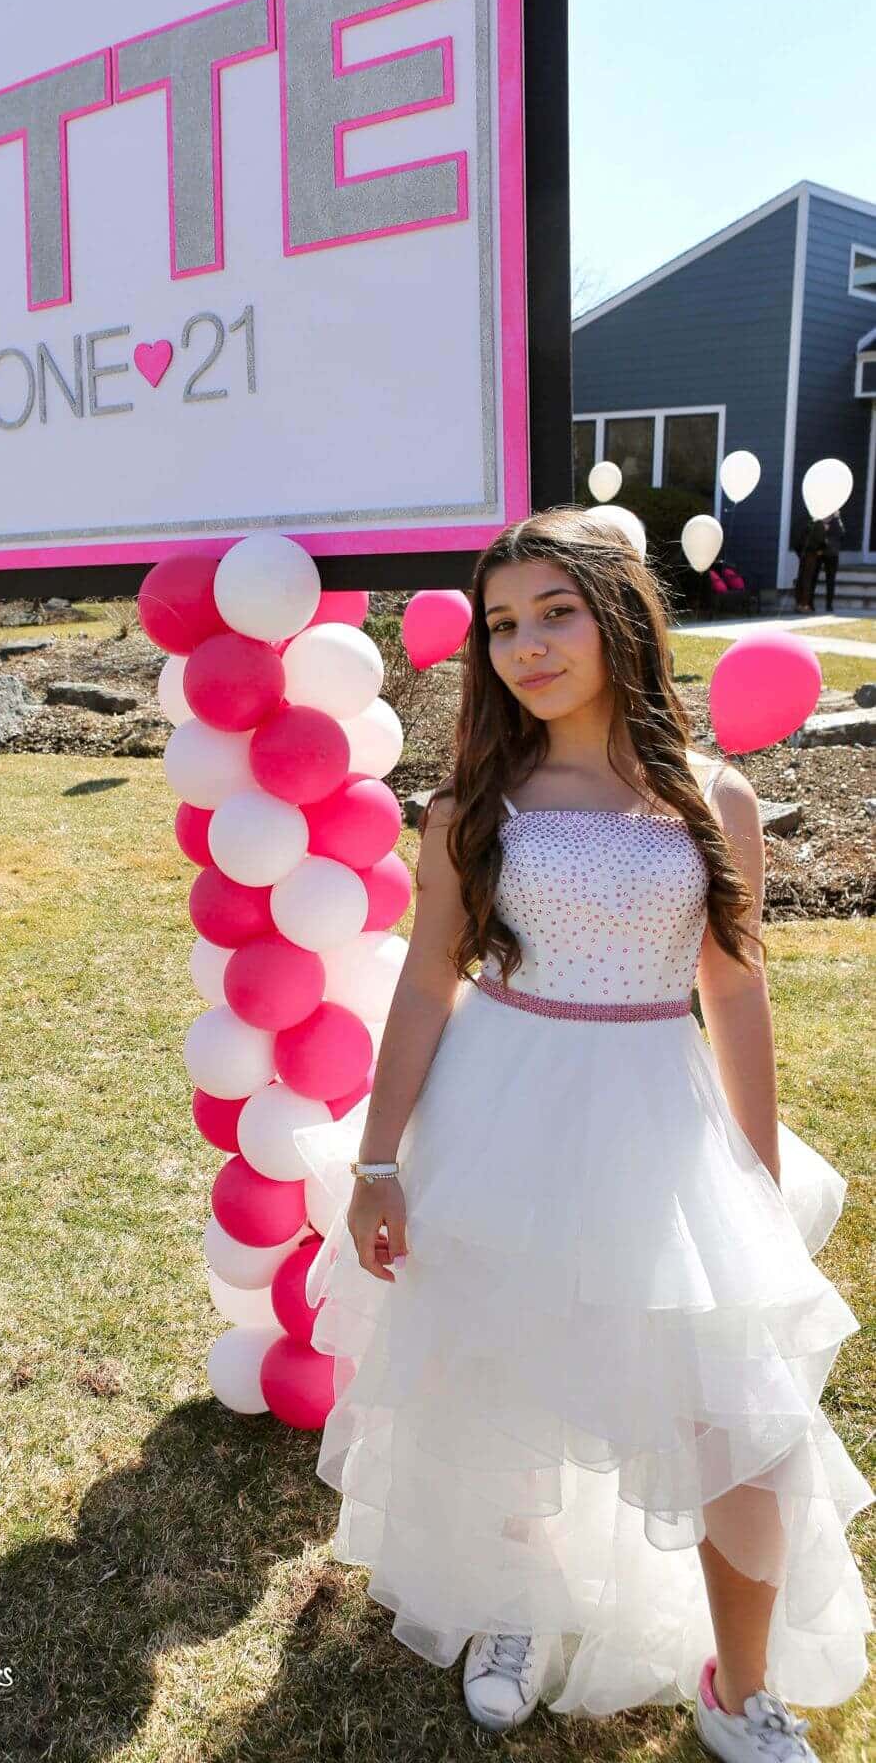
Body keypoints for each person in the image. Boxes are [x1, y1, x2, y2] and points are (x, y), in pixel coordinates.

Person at [291, 507, 872, 1759]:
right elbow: (425, 983)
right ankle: (511, 1602)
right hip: (500, 1107)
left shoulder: (709, 797)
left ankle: (741, 1680)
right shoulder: (476, 802)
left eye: (555, 611)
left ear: (619, 616)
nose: (526, 644)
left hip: (658, 1122)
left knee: (743, 1430)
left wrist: (758, 1175)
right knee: (500, 1377)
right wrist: (379, 1158)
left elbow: (734, 985)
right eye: (502, 622)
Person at [797, 513, 845, 613]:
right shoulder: (817, 518)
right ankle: (810, 603)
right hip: (819, 552)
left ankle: (829, 604)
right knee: (813, 578)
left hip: (831, 554)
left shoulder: (836, 520)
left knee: (830, 579)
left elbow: (841, 533)